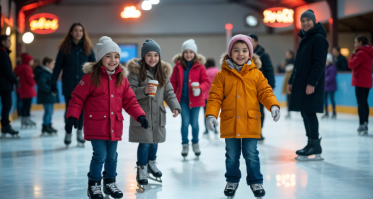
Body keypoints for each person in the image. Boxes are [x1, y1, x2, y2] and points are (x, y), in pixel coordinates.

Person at [65, 36, 148, 199]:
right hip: (96, 125)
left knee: (112, 156)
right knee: (100, 155)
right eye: (108, 56)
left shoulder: (121, 79)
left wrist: (140, 115)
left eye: (116, 56)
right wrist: (72, 117)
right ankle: (94, 185)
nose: (113, 60)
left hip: (114, 125)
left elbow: (130, 101)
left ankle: (109, 182)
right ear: (100, 58)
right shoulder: (89, 78)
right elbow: (77, 98)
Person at [205, 34, 280, 199]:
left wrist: (273, 105)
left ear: (250, 53)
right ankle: (232, 180)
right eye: (236, 50)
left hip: (250, 121)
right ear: (230, 53)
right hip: (230, 122)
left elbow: (265, 92)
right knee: (231, 156)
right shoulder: (221, 75)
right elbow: (215, 97)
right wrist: (211, 115)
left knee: (251, 154)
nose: (240, 54)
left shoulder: (257, 74)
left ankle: (255, 181)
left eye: (245, 50)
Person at [127, 39, 181, 190]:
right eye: (149, 55)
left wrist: (174, 106)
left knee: (155, 141)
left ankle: (151, 163)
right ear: (143, 56)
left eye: (156, 55)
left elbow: (169, 92)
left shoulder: (162, 72)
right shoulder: (136, 72)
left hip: (158, 114)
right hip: (142, 114)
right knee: (145, 143)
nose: (152, 58)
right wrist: (143, 91)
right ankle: (142, 169)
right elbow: (128, 91)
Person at [287, 9, 328, 161]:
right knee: (305, 112)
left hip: (310, 84)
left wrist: (312, 83)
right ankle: (310, 143)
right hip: (301, 82)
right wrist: (291, 80)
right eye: (302, 21)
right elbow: (297, 64)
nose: (305, 23)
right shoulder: (304, 38)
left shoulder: (318, 39)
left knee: (309, 113)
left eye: (307, 20)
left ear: (314, 21)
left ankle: (315, 144)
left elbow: (319, 64)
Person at [51, 22, 96, 147]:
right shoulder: (65, 48)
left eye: (80, 31)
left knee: (82, 110)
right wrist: (53, 81)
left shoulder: (87, 48)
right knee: (69, 109)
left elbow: (94, 66)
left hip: (84, 86)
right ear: (71, 32)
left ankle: (79, 133)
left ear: (83, 33)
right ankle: (68, 133)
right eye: (76, 30)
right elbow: (58, 66)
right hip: (69, 84)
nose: (78, 33)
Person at [170, 39, 210, 159]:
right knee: (185, 124)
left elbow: (206, 81)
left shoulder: (200, 67)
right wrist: (173, 97)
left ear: (195, 54)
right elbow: (173, 82)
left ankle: (195, 143)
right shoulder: (178, 67)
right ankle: (185, 144)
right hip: (183, 101)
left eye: (191, 52)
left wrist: (200, 89)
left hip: (196, 101)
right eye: (186, 52)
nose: (188, 54)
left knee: (195, 124)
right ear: (183, 53)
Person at [248, 33, 275, 141]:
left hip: (260, 88)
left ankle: (259, 131)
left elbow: (269, 70)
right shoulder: (244, 54)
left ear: (256, 42)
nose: (250, 43)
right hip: (247, 88)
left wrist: (271, 85)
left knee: (259, 111)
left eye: (252, 41)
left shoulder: (264, 55)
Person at [348, 35, 373, 135]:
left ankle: (362, 124)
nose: (354, 44)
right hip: (366, 80)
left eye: (355, 42)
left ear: (361, 43)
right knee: (364, 102)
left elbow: (351, 65)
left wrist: (352, 55)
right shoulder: (368, 52)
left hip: (360, 81)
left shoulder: (361, 53)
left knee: (361, 103)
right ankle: (365, 123)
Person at [34, 57, 59, 135]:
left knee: (51, 111)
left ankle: (48, 125)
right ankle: (45, 126)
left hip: (49, 96)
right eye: (52, 63)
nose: (54, 65)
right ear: (47, 64)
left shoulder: (48, 72)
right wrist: (50, 90)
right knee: (48, 111)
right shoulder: (44, 73)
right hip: (46, 96)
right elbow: (42, 84)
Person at [0, 35, 19, 137]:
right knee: (7, 106)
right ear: (3, 42)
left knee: (6, 106)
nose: (10, 43)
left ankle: (5, 125)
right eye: (8, 41)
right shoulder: (3, 54)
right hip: (4, 85)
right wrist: (16, 81)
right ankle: (5, 126)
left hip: (4, 84)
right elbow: (7, 71)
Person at [14, 53, 37, 128]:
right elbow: (29, 79)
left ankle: (24, 119)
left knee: (24, 105)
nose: (32, 62)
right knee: (27, 105)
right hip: (27, 89)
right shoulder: (27, 68)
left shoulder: (21, 67)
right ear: (28, 61)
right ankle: (26, 119)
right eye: (31, 61)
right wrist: (34, 81)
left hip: (23, 89)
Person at [203, 58, 220, 137]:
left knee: (206, 114)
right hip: (215, 96)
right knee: (214, 113)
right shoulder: (218, 71)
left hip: (206, 96)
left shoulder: (205, 71)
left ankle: (206, 130)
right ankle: (215, 129)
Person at [322, 53, 337, 119]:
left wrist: (324, 81)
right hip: (325, 87)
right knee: (325, 100)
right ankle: (326, 112)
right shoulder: (324, 67)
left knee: (331, 99)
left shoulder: (332, 68)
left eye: (326, 60)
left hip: (331, 86)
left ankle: (334, 112)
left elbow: (332, 76)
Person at [281, 50, 294, 119]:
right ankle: (288, 112)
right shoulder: (286, 62)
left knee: (293, 97)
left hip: (293, 83)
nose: (286, 55)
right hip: (287, 82)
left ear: (291, 55)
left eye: (287, 54)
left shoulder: (294, 62)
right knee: (288, 98)